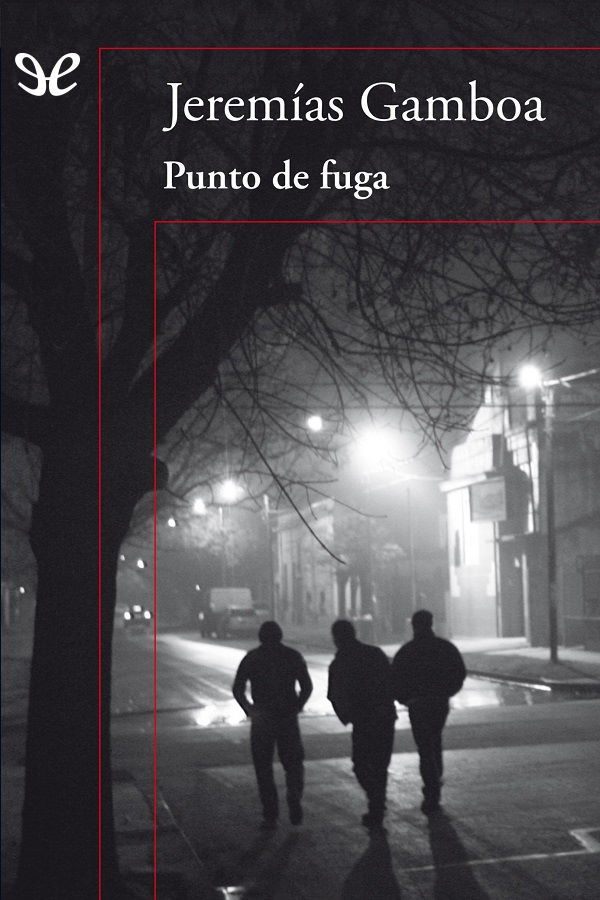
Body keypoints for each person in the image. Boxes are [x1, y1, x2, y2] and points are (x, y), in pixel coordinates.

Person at [232, 620, 313, 829]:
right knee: (293, 763)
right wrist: (298, 705)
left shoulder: (252, 658)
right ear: (280, 636)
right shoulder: (292, 656)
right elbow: (307, 686)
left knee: (263, 767)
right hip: (287, 715)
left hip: (262, 717)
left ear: (260, 637)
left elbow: (237, 688)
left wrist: (249, 709)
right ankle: (294, 796)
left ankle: (270, 814)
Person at [392, 609, 466, 814]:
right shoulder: (445, 648)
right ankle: (435, 780)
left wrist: (405, 699)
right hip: (439, 702)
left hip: (417, 704)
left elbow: (395, 678)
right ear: (431, 623)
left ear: (413, 626)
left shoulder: (407, 651)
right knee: (435, 740)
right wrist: (447, 693)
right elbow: (459, 673)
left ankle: (431, 788)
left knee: (425, 747)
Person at [327, 619, 396, 831]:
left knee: (361, 764)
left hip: (363, 719)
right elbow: (392, 680)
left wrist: (346, 715)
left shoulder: (339, 662)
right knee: (380, 765)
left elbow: (333, 694)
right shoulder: (375, 653)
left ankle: (376, 801)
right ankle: (377, 805)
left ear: (336, 639)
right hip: (384, 716)